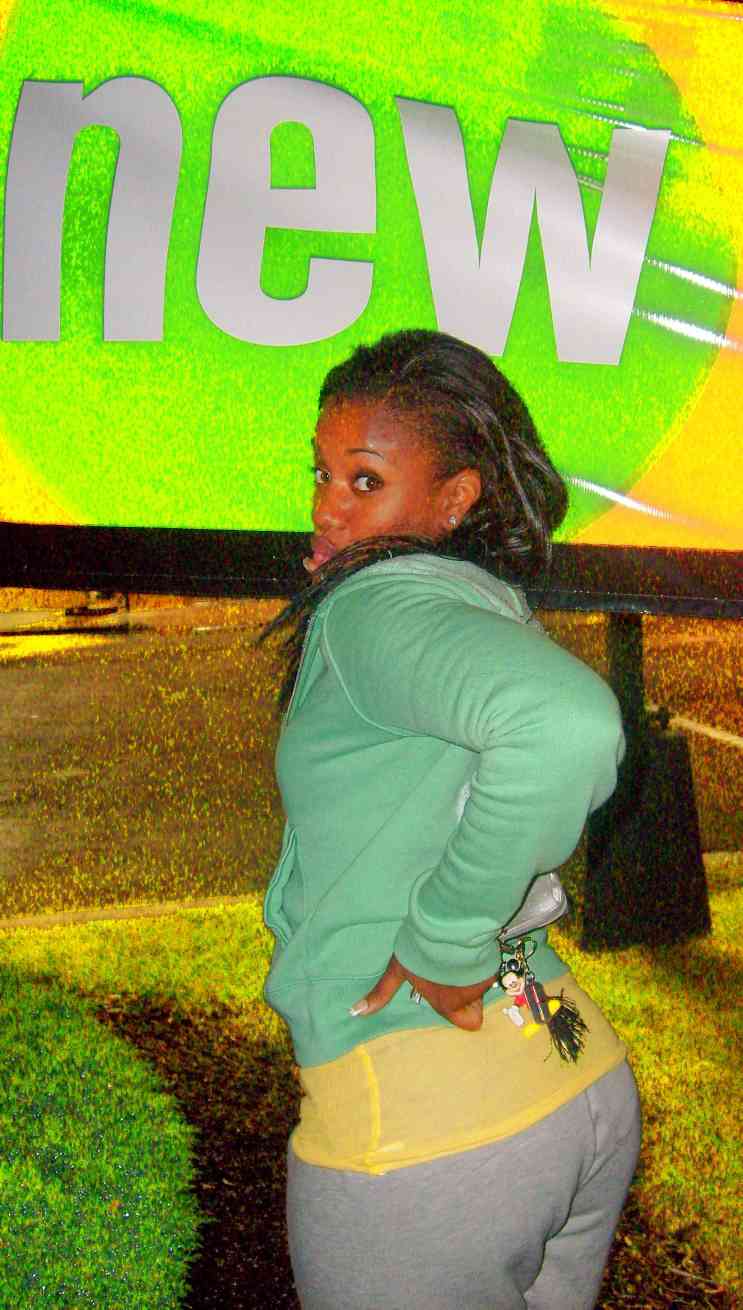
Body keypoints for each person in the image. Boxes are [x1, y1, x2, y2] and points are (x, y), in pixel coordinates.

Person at [261, 329, 641, 1310]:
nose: (327, 506)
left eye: (364, 480)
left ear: (453, 499)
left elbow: (565, 724)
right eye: (322, 473)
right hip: (568, 1072)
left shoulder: (375, 608)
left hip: (431, 1128)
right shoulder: (475, 605)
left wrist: (443, 935)